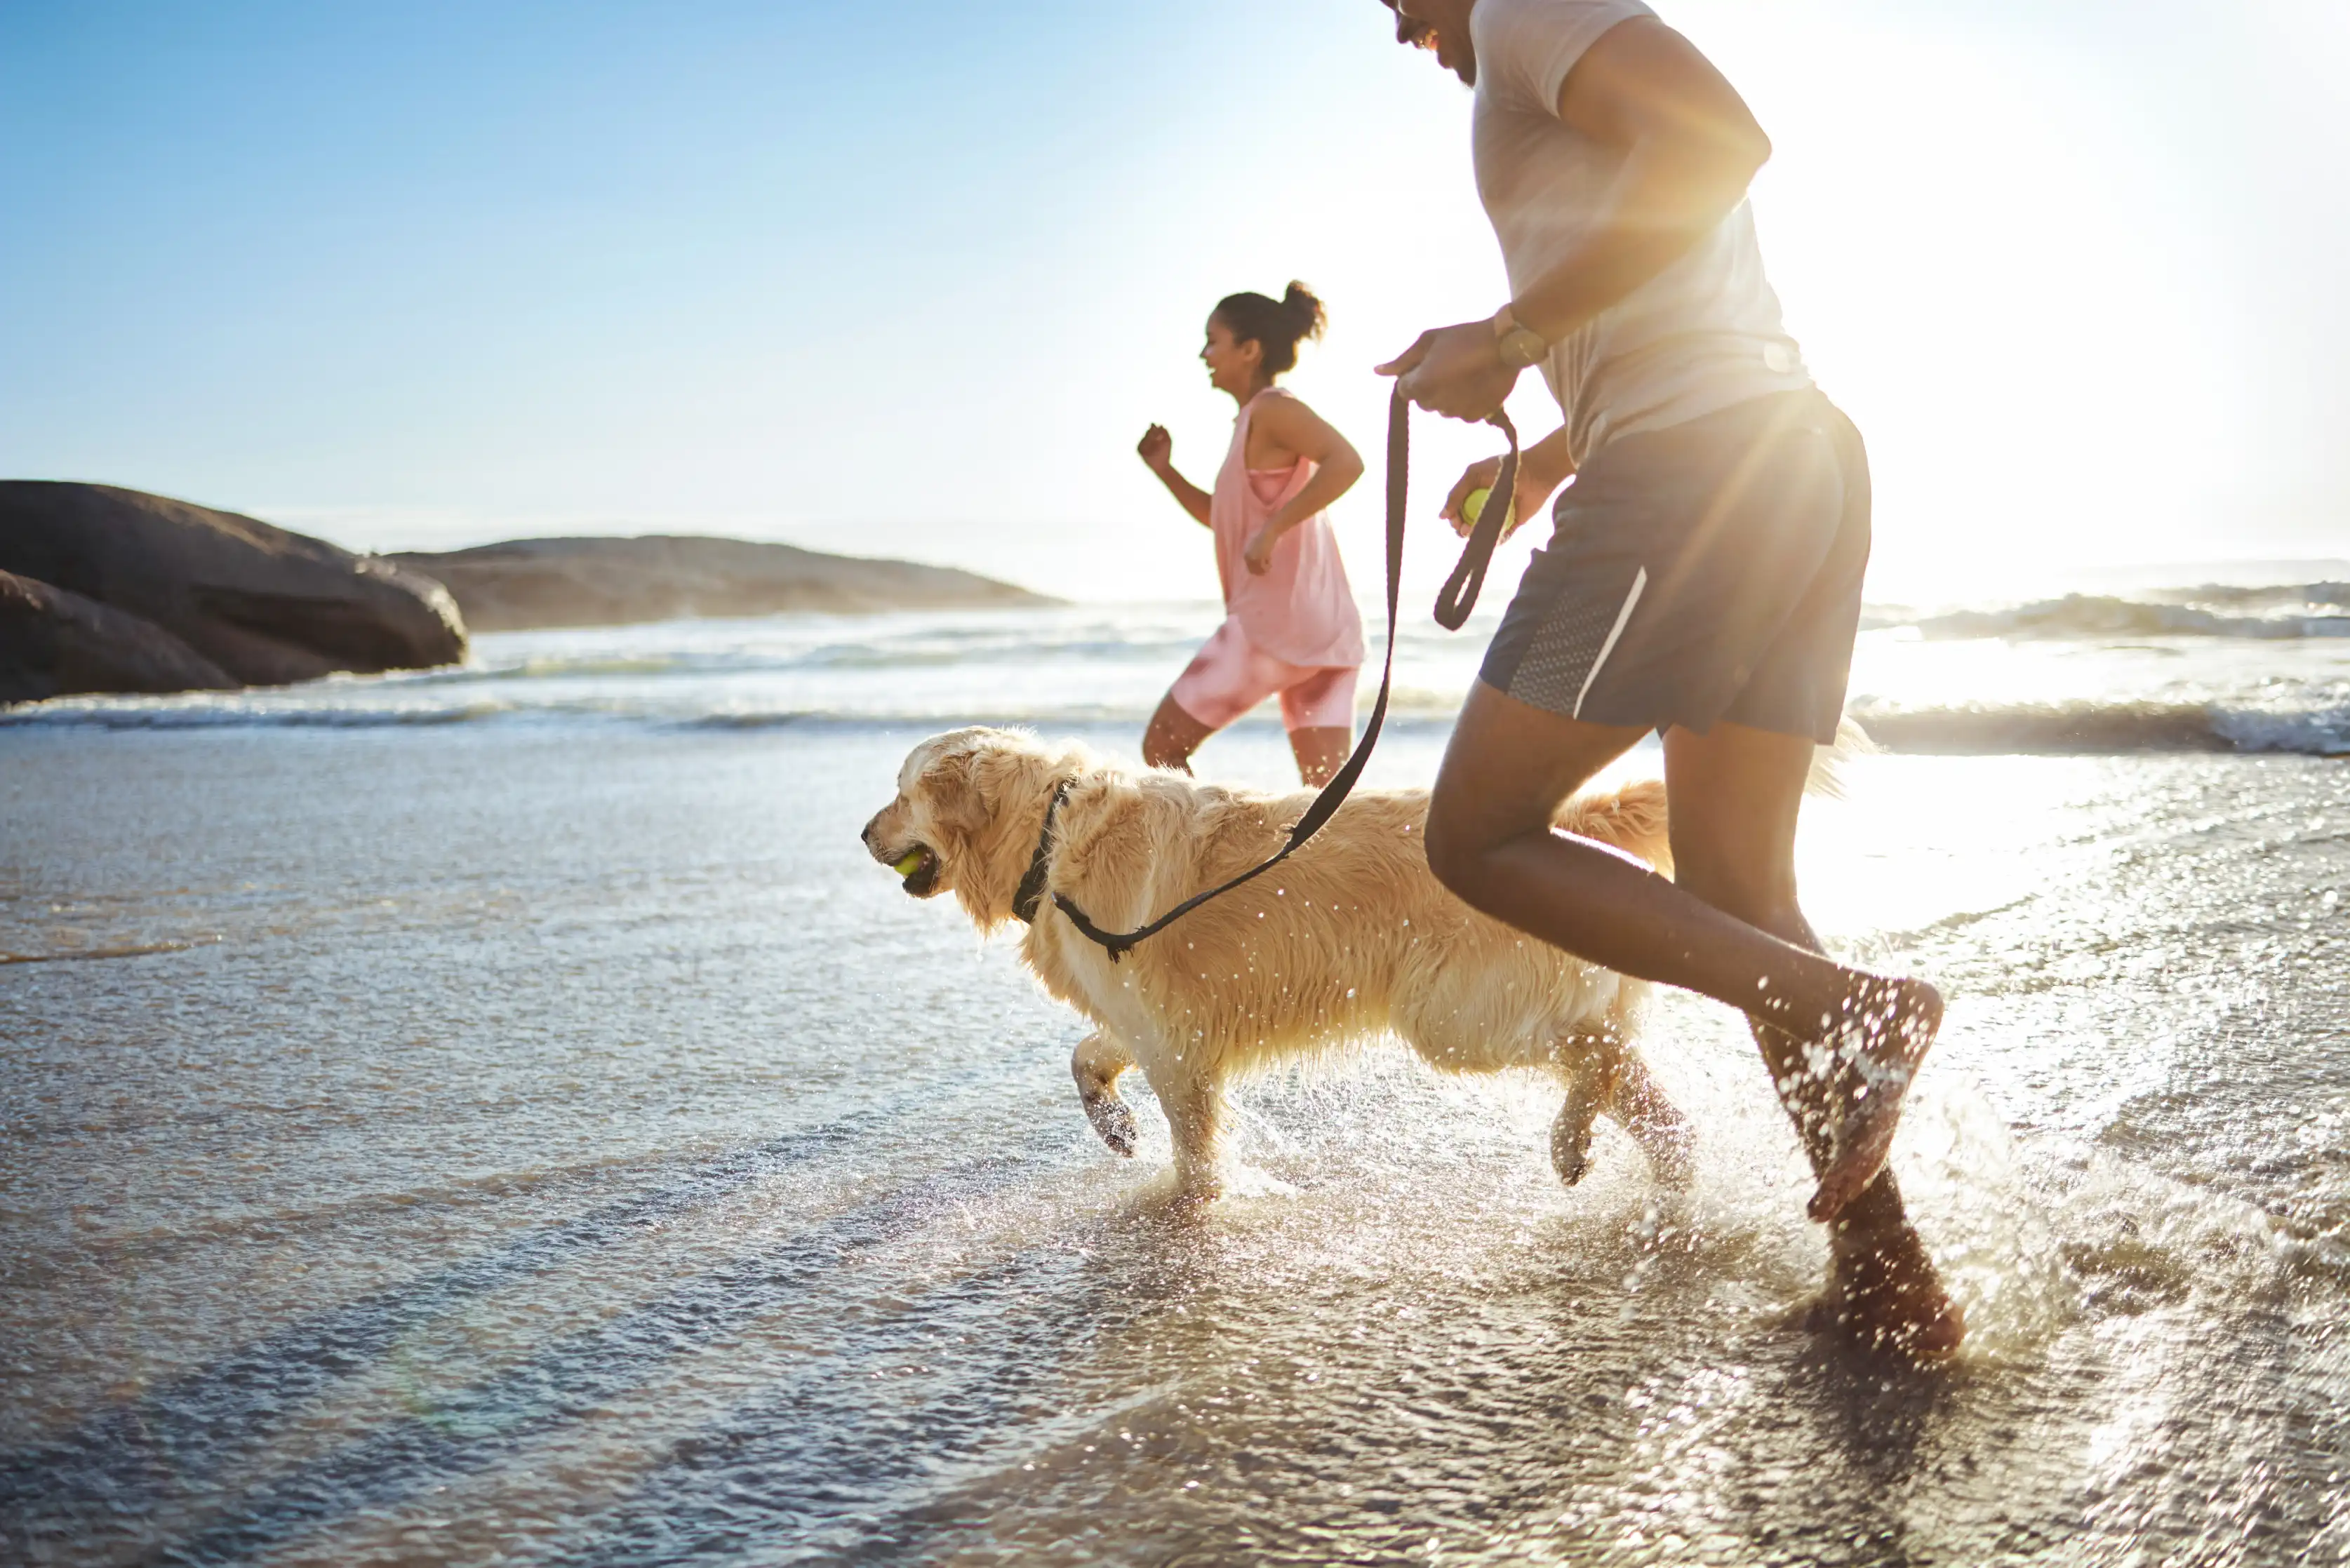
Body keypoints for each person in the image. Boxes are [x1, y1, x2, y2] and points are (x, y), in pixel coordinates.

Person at [1374, 0, 1965, 1360]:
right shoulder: (1532, 46)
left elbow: (1718, 142)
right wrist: (1540, 460)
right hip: (1778, 449)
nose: (1397, 26)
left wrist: (1513, 336)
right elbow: (1671, 282)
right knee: (1740, 895)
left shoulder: (1525, 6)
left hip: (1694, 473)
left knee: (1473, 836)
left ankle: (1852, 1010)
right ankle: (1892, 1277)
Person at [1137, 283, 1368, 786]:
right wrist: (1165, 471)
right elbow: (1226, 520)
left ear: (1249, 350)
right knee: (1323, 798)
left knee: (1161, 749)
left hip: (1271, 630)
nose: (1204, 354)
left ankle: (1210, 861)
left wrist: (1273, 529)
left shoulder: (1271, 410)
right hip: (1327, 633)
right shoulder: (1252, 421)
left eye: (1212, 340)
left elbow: (1347, 461)